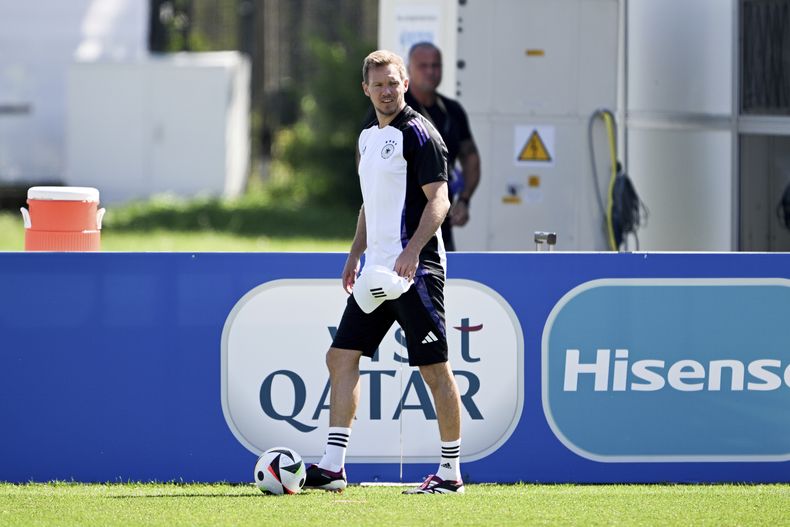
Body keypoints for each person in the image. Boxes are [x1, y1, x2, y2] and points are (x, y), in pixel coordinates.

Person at [303, 49, 465, 495]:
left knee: (434, 369)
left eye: (394, 83)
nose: (387, 91)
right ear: (366, 89)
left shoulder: (420, 133)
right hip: (374, 272)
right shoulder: (366, 139)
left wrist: (412, 250)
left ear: (405, 84)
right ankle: (333, 467)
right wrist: (354, 254)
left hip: (415, 270)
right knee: (340, 357)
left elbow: (440, 200)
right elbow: (368, 204)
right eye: (379, 85)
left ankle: (450, 474)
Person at [406, 42, 481, 252]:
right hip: (400, 227)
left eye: (435, 65)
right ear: (408, 69)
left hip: (440, 224)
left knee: (443, 282)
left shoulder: (452, 110)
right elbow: (364, 158)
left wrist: (464, 199)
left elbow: (471, 156)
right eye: (423, 66)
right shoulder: (395, 109)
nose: (430, 71)